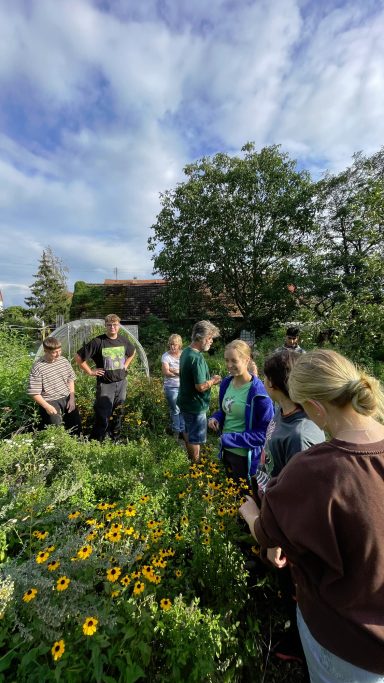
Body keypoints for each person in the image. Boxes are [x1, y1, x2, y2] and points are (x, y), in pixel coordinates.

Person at [239, 350, 384, 682]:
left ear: (316, 407)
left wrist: (250, 513)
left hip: (347, 641)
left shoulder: (316, 469)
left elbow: (268, 534)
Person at [254, 349, 325, 497]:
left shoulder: (299, 436)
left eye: (265, 377)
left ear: (272, 383)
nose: (262, 381)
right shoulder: (282, 410)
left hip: (278, 511)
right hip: (266, 497)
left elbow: (300, 494)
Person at [208, 340, 273, 487]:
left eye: (234, 361)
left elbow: (265, 433)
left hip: (245, 457)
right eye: (226, 360)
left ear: (246, 360)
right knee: (232, 496)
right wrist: (216, 418)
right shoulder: (226, 383)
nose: (229, 365)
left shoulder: (259, 394)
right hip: (226, 450)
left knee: (245, 498)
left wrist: (230, 439)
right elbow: (226, 411)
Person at [75, 314, 136, 442]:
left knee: (118, 411)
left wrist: (125, 365)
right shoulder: (98, 342)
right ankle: (97, 441)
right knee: (103, 413)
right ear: (105, 326)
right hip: (105, 384)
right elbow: (79, 358)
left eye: (115, 325)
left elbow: (132, 351)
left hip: (121, 382)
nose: (112, 327)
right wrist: (90, 372)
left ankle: (115, 439)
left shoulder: (123, 340)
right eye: (109, 325)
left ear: (119, 326)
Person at [177, 320, 221, 463]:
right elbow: (200, 386)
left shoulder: (185, 352)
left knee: (188, 432)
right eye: (210, 338)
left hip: (185, 401)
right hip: (196, 405)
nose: (211, 342)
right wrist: (213, 380)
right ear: (201, 337)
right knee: (195, 439)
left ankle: (192, 461)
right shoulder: (197, 358)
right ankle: (196, 466)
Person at [28, 336, 82, 435]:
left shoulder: (63, 361)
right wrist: (47, 406)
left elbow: (70, 379)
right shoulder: (38, 367)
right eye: (54, 352)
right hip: (50, 401)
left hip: (67, 398)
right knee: (55, 432)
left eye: (59, 351)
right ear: (46, 351)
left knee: (76, 428)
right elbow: (34, 393)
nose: (58, 354)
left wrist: (72, 398)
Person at [161, 334, 186, 440]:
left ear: (179, 345)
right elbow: (166, 372)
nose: (172, 347)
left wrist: (173, 370)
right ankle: (177, 431)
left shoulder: (184, 354)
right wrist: (179, 372)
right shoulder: (165, 356)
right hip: (171, 386)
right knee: (175, 409)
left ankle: (182, 430)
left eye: (175, 345)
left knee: (182, 409)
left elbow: (187, 370)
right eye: (171, 344)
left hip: (184, 386)